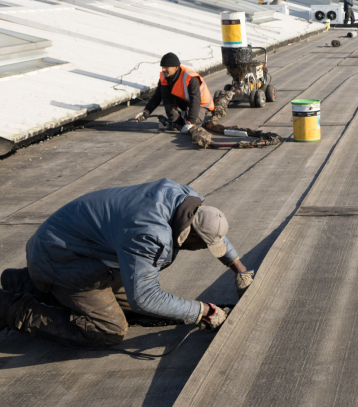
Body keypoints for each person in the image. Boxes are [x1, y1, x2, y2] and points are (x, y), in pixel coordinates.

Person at [0, 179, 252, 347]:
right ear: (192, 235)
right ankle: (12, 308)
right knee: (110, 328)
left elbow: (211, 230)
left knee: (133, 309)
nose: (202, 250)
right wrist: (202, 311)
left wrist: (239, 269)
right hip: (61, 257)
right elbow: (144, 297)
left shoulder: (186, 200)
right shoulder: (151, 235)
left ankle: (25, 282)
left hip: (68, 244)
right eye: (203, 246)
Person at [133, 53, 223, 147]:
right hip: (185, 101)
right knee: (164, 90)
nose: (163, 70)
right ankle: (176, 121)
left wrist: (190, 122)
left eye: (166, 67)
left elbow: (195, 100)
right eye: (162, 67)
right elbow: (157, 96)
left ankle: (189, 119)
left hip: (201, 104)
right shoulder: (164, 76)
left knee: (192, 123)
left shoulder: (190, 77)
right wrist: (146, 111)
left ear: (176, 67)